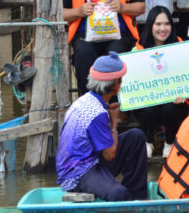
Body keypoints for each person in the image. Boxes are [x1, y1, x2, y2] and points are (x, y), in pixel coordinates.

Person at [56, 52, 147, 201]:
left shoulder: (85, 99)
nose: (121, 84)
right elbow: (109, 154)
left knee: (135, 136)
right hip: (78, 173)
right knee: (118, 194)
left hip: (91, 160)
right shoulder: (97, 112)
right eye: (120, 81)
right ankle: (128, 199)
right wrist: (114, 122)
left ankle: (138, 197)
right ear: (114, 84)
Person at [132, 6, 189, 158]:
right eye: (158, 24)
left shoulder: (180, 45)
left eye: (167, 24)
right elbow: (132, 80)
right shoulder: (138, 48)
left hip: (173, 103)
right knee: (148, 108)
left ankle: (170, 142)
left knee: (170, 108)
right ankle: (147, 141)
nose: (163, 28)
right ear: (150, 25)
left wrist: (184, 93)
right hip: (149, 104)